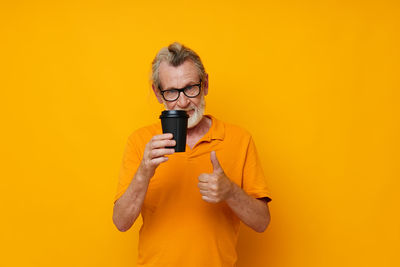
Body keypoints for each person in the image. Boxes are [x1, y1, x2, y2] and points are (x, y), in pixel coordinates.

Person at [112, 42, 272, 267]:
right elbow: (121, 222)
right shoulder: (141, 142)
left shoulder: (239, 139)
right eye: (171, 92)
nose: (183, 101)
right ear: (158, 93)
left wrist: (230, 191)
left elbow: (262, 222)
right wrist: (143, 172)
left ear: (205, 84)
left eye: (190, 88)